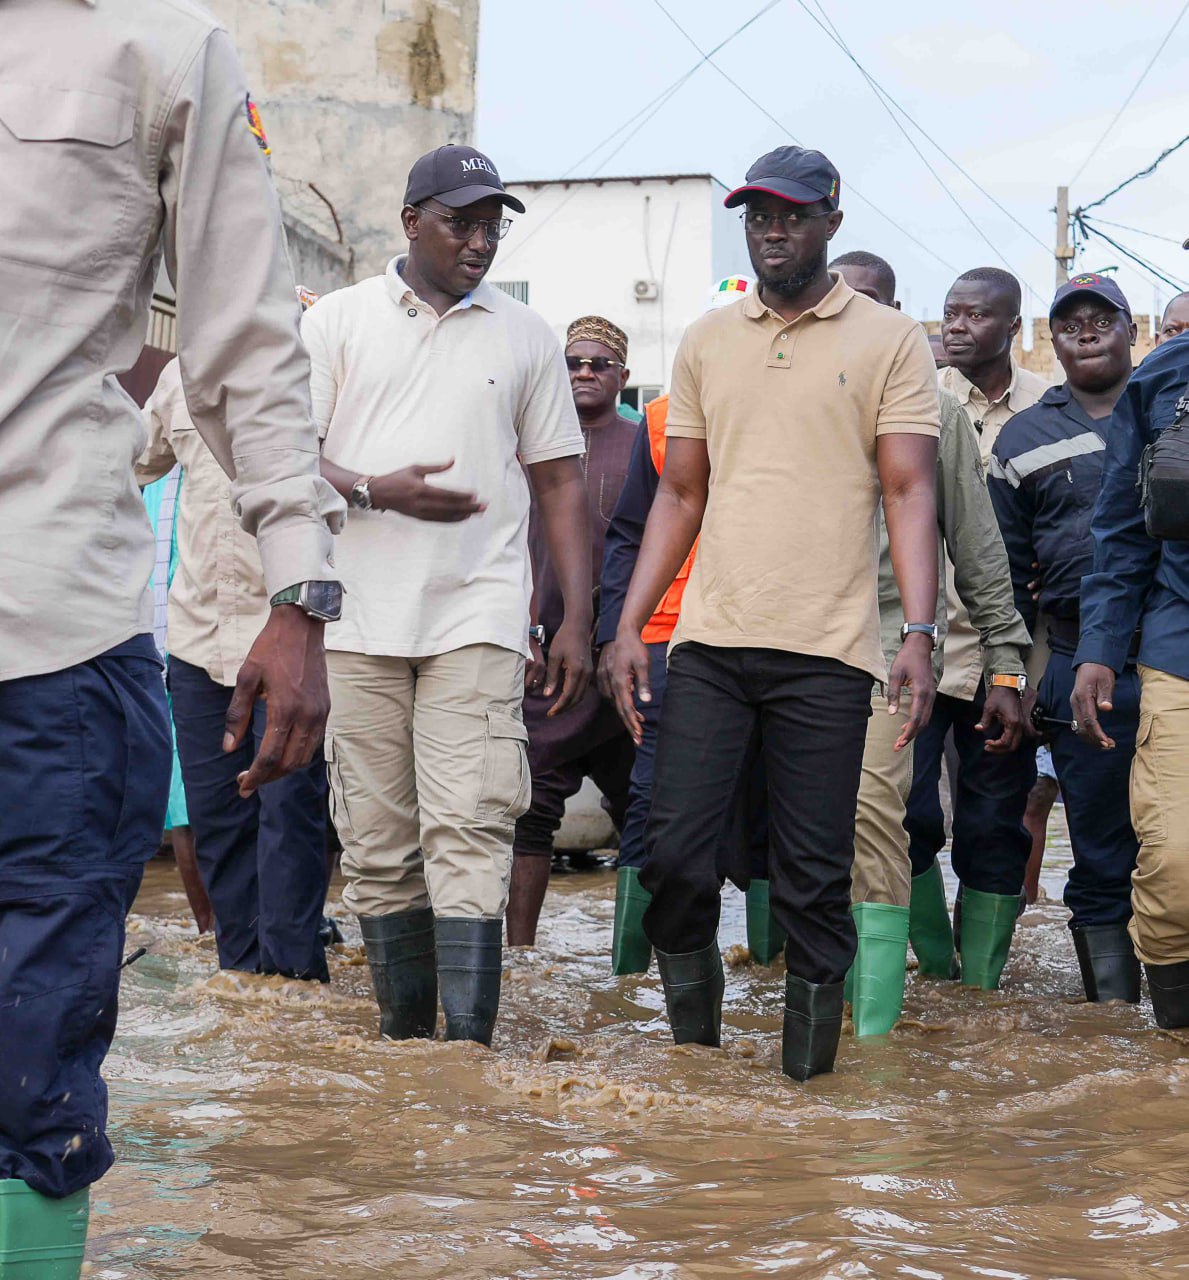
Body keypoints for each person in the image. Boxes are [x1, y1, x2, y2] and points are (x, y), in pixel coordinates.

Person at [0, 1, 346, 1268]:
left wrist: (300, 593)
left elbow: (246, 343)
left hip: (51, 643)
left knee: (30, 1070)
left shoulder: (159, 49)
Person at [607, 146, 941, 1081]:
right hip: (710, 644)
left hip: (829, 654)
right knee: (673, 860)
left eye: (791, 216)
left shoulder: (888, 340)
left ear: (831, 222)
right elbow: (679, 494)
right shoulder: (709, 339)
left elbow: (910, 490)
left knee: (811, 883)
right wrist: (629, 626)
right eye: (757, 216)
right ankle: (697, 1071)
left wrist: (917, 634)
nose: (771, 231)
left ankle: (807, 1091)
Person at [306, 145, 592, 1048]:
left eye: (491, 225)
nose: (479, 242)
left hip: (479, 613)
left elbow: (557, 483)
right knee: (379, 848)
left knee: (470, 829)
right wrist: (369, 489)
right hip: (354, 618)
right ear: (411, 222)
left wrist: (576, 616)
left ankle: (463, 1061)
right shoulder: (338, 322)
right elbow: (288, 456)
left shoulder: (525, 335)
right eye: (460, 223)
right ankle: (405, 1051)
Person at [830, 251, 1030, 1033]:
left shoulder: (951, 410)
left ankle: (942, 1005)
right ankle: (856, 1004)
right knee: (877, 826)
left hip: (937, 646)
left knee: (973, 822)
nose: (957, 324)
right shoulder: (799, 391)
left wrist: (1011, 664)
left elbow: (979, 546)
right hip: (825, 649)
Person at [138, 304, 336, 982]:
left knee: (289, 820)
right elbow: (137, 459)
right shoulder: (178, 377)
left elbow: (343, 479)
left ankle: (294, 987)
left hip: (287, 636)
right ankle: (241, 985)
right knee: (219, 823)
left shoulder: (314, 365)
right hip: (198, 639)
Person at [597, 276, 783, 976]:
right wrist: (618, 631)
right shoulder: (662, 419)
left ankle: (769, 966)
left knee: (769, 794)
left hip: (770, 625)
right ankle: (634, 968)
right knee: (653, 793)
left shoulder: (793, 410)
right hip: (670, 636)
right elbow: (626, 536)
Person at [990, 273, 1142, 1002]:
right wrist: (1013, 684)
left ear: (1129, 330)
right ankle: (1113, 1029)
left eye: (1100, 318)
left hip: (1172, 649)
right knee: (1101, 852)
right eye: (1068, 322)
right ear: (1050, 340)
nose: (1084, 331)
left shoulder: (1170, 412)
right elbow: (1005, 582)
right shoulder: (1024, 436)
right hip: (1076, 662)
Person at [904, 268, 1050, 989]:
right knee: (900, 813)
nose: (954, 327)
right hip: (919, 643)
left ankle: (981, 988)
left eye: (973, 316)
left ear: (1011, 327)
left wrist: (1015, 663)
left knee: (996, 817)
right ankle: (934, 967)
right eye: (947, 314)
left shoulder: (1046, 406)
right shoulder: (917, 402)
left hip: (1008, 645)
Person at [506, 317, 638, 946]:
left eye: (599, 364)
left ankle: (635, 965)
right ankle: (520, 957)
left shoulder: (645, 446)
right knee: (528, 812)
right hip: (541, 655)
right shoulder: (524, 444)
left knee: (645, 807)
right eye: (572, 363)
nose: (584, 373)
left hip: (623, 657)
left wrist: (624, 636)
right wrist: (529, 629)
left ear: (623, 376)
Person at [1072, 327, 1189, 1028]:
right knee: (1173, 869)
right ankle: (1173, 1056)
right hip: (1180, 647)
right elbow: (1118, 528)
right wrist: (1098, 649)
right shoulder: (1164, 376)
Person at [141, 466, 214, 934]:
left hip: (225, 649)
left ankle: (300, 927)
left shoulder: (216, 467)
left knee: (278, 792)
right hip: (158, 656)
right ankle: (213, 933)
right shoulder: (149, 476)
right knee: (184, 805)